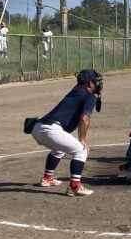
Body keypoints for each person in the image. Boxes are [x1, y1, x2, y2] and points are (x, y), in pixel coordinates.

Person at [29, 69, 103, 197]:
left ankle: (47, 179)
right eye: (97, 82)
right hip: (50, 130)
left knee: (59, 149)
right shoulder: (90, 96)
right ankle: (74, 187)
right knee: (81, 150)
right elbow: (85, 118)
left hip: (38, 128)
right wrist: (82, 140)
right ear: (90, 84)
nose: (99, 85)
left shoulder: (76, 91)